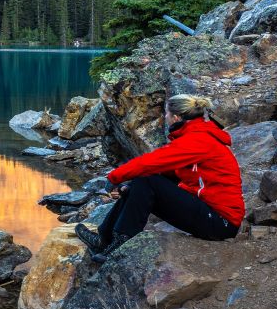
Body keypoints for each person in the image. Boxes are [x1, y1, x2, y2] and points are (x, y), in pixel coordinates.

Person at [75, 94, 243, 262]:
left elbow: (153, 161)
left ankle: (120, 245)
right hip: (210, 213)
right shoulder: (197, 135)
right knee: (143, 181)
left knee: (147, 179)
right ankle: (104, 240)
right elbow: (171, 173)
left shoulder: (198, 139)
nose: (165, 117)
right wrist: (130, 187)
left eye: (166, 114)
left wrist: (115, 176)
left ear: (176, 117)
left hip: (221, 222)